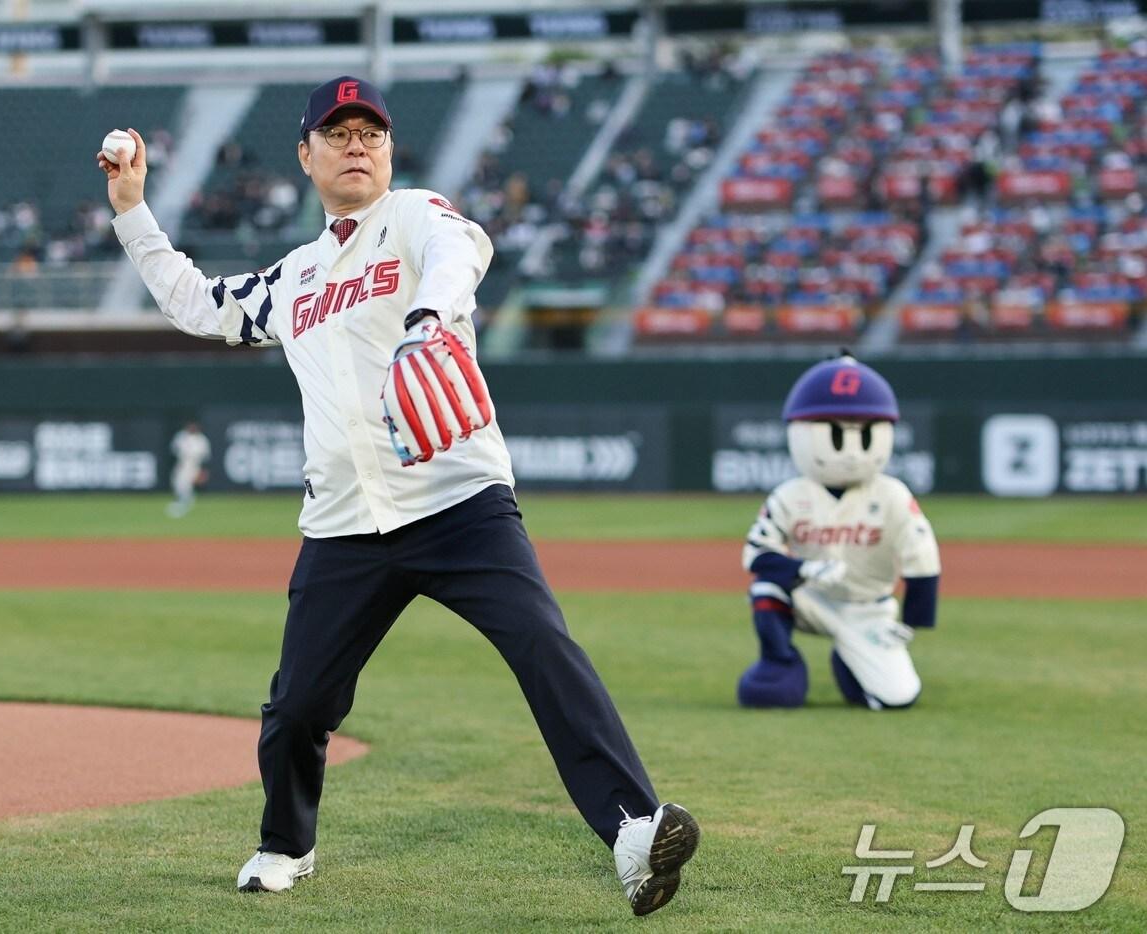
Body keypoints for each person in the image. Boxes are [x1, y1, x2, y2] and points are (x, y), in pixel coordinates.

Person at [96, 75, 699, 916]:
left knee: (544, 648)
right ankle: (286, 844)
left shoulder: (416, 218)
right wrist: (132, 210)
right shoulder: (295, 277)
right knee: (299, 705)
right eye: (337, 133)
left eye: (370, 133)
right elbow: (198, 306)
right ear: (305, 155)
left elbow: (467, 251)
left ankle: (637, 833)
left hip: (459, 502)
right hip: (344, 525)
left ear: (389, 150)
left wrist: (426, 319)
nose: (356, 146)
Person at [737, 354, 942, 710]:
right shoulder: (790, 494)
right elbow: (755, 553)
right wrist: (802, 569)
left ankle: (851, 663)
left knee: (897, 698)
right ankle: (779, 663)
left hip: (868, 608)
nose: (848, 449)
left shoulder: (892, 494)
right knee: (767, 586)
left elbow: (922, 559)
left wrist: (911, 621)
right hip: (811, 598)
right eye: (833, 432)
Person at [167, 422, 211, 518]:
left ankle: (186, 503)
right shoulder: (181, 436)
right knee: (177, 484)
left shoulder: (201, 439)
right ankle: (184, 502)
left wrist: (203, 470)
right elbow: (174, 450)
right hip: (182, 464)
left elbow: (205, 456)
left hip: (194, 465)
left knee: (185, 485)